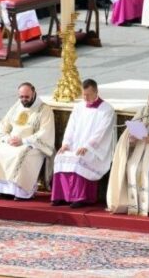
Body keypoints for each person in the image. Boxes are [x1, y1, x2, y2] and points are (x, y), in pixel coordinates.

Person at [52, 79, 115, 208]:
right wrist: (66, 144)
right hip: (75, 145)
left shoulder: (107, 109)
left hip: (94, 149)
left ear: (96, 92)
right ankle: (62, 195)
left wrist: (87, 146)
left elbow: (101, 132)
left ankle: (80, 197)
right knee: (60, 157)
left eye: (88, 94)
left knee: (79, 159)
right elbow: (71, 126)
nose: (85, 97)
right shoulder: (79, 106)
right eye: (83, 94)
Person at [0, 82, 55, 200]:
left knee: (21, 155)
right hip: (13, 142)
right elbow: (4, 125)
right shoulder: (17, 106)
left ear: (33, 93)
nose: (24, 100)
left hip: (32, 144)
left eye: (26, 97)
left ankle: (21, 192)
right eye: (21, 97)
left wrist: (23, 141)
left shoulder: (44, 110)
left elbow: (45, 132)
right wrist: (7, 138)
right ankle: (3, 190)